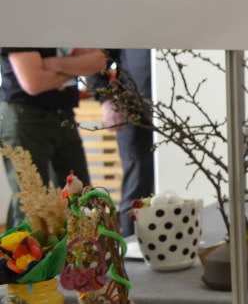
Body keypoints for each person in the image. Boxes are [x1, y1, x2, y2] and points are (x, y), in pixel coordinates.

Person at [2, 46, 105, 225]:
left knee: (79, 194)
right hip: (26, 115)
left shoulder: (65, 30)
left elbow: (99, 61)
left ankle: (79, 243)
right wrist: (75, 67)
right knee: (32, 202)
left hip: (64, 114)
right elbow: (34, 83)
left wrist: (50, 65)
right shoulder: (21, 31)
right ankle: (27, 244)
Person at [88, 49, 154, 235]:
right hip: (133, 115)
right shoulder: (127, 30)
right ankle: (130, 249)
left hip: (181, 116)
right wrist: (107, 99)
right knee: (136, 191)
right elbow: (95, 62)